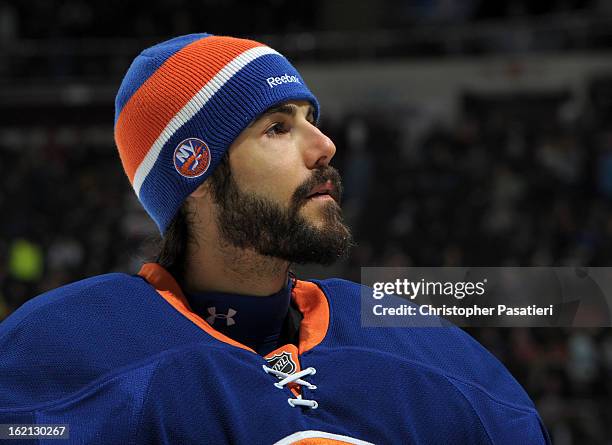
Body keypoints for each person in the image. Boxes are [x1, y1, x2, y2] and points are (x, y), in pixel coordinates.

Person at [0, 33, 550, 444]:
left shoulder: (428, 351)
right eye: (278, 128)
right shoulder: (66, 357)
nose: (325, 145)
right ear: (195, 171)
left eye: (312, 119)